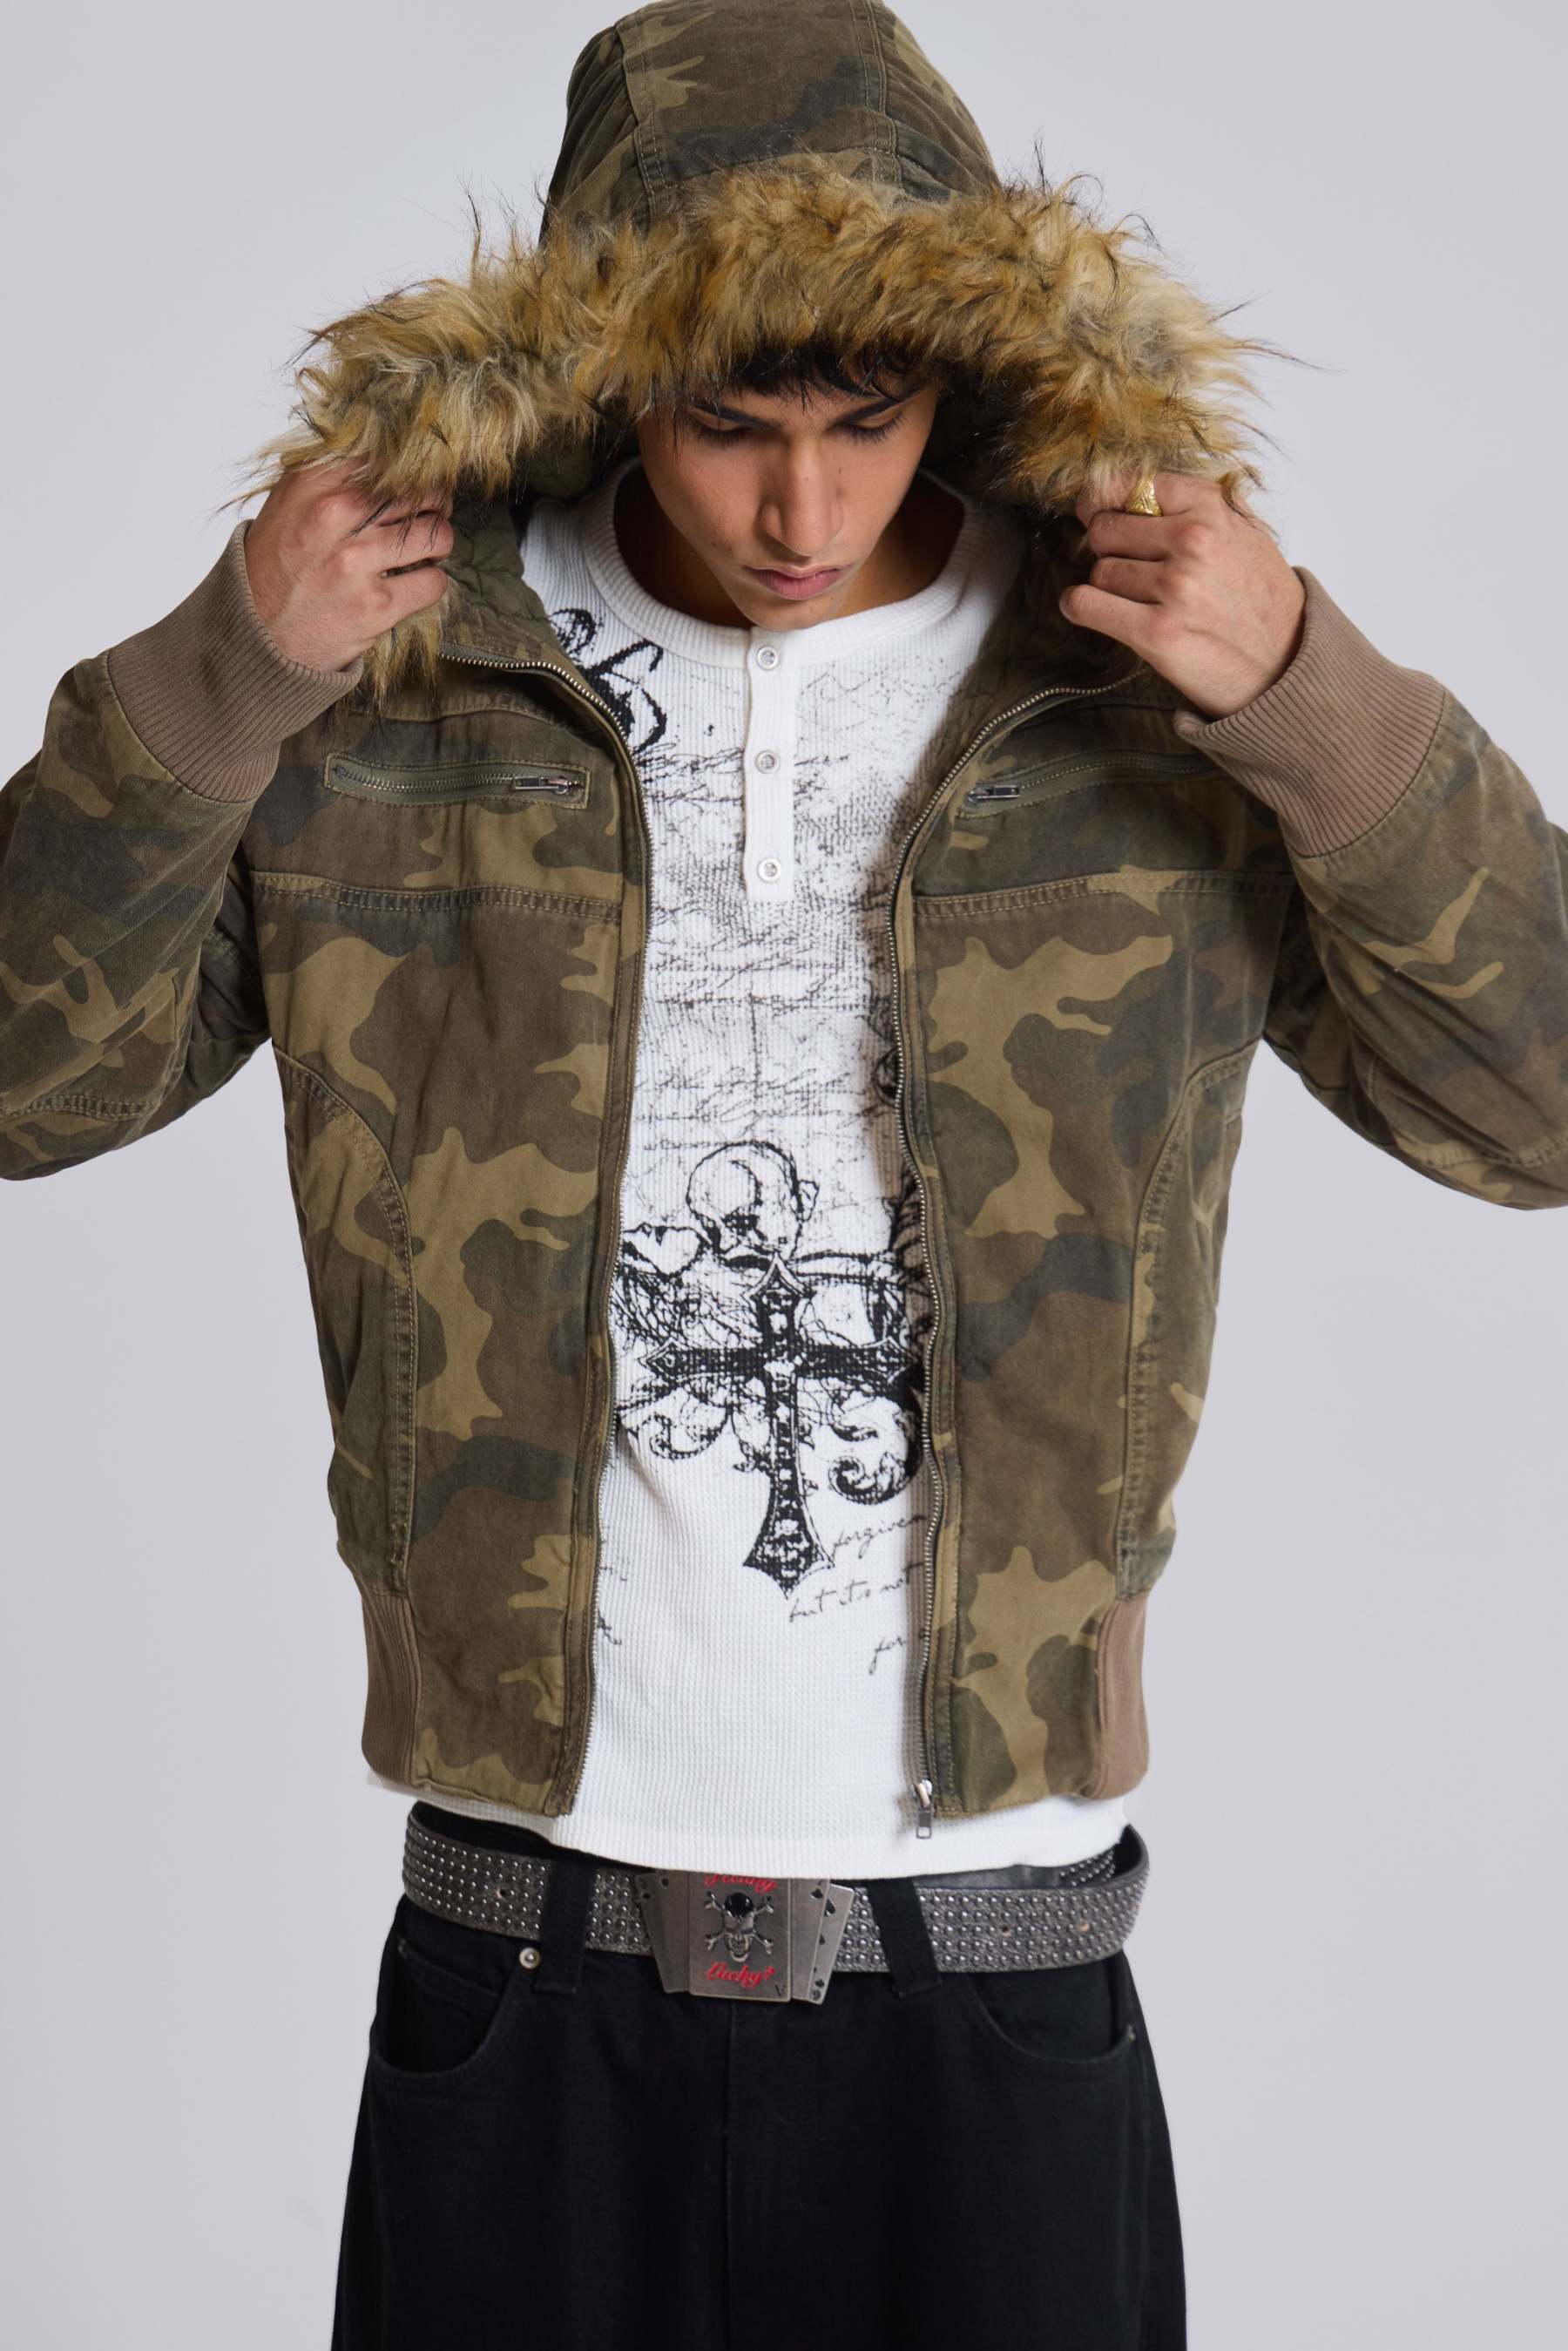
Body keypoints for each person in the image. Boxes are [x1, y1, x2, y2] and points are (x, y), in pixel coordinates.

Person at [3, 3, 1565, 2345]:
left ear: (970, 374)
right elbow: (25, 1087)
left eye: (868, 419)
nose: (802, 516)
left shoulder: (1126, 676)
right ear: (607, 370)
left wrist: (1313, 699)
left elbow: (1532, 1106)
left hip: (998, 1973)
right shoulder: (398, 682)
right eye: (729, 425)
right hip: (527, 1964)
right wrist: (221, 675)